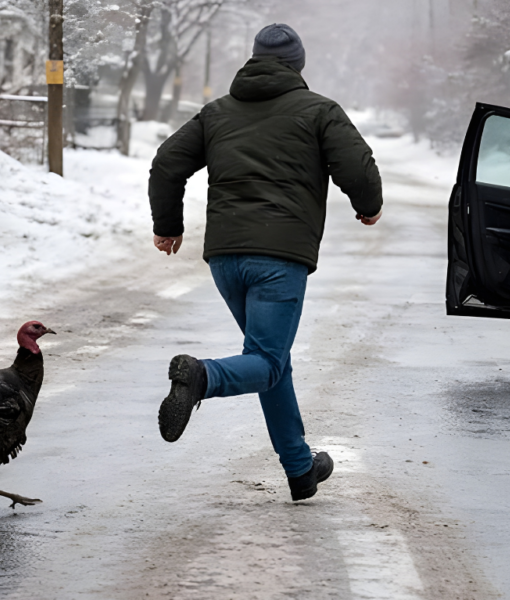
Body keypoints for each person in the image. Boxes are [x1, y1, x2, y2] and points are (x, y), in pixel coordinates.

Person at [148, 23, 383, 501]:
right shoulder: (319, 111)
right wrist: (368, 205)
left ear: (253, 60)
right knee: (268, 361)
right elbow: (357, 166)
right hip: (279, 257)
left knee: (270, 359)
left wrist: (168, 225)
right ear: (298, 64)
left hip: (225, 260)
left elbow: (167, 162)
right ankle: (203, 376)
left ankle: (300, 469)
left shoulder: (217, 113)